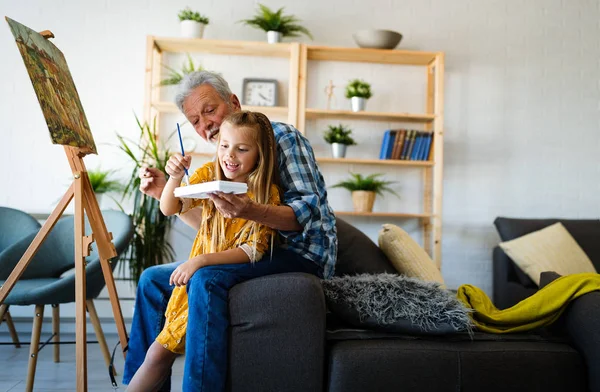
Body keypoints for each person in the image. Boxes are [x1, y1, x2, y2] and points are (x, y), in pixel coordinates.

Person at [122, 71, 337, 391]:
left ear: (233, 102)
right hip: (253, 249)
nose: (204, 124)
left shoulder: (281, 138)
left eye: (209, 110)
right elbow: (215, 226)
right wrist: (163, 192)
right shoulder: (222, 160)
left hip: (298, 253)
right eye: (195, 120)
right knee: (153, 278)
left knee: (206, 277)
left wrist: (250, 209)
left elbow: (306, 215)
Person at [126, 111, 284, 391]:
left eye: (242, 149)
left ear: (260, 153)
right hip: (190, 285)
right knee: (158, 355)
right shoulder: (208, 175)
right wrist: (174, 177)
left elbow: (253, 251)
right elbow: (169, 207)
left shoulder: (265, 195)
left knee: (158, 354)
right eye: (224, 146)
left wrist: (200, 261)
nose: (230, 156)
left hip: (208, 277)